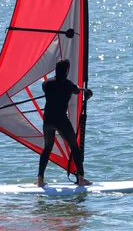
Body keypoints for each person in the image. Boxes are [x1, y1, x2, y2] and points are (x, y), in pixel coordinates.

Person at [37, 58, 93, 187]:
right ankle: (81, 178)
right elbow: (77, 91)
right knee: (74, 147)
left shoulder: (46, 84)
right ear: (67, 70)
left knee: (47, 148)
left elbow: (53, 88)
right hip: (61, 120)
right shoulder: (69, 85)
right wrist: (83, 91)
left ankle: (40, 180)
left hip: (48, 120)